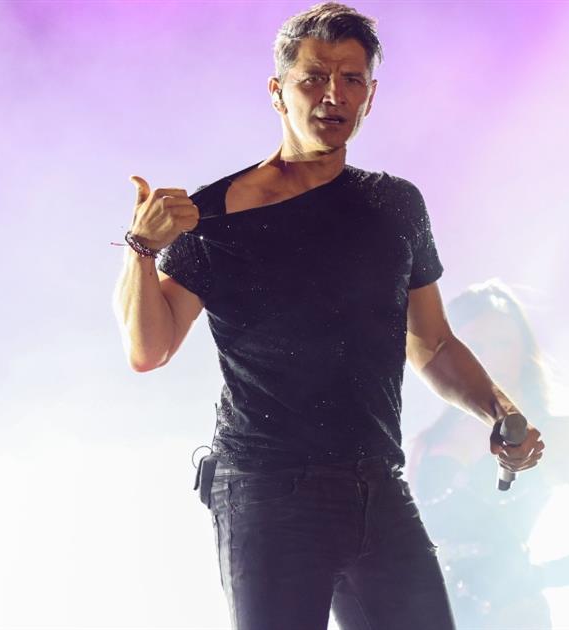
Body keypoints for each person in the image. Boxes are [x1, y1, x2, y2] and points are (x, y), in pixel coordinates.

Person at [112, 4, 543, 629]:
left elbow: (433, 345)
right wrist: (141, 249)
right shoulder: (214, 217)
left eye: (351, 79)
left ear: (370, 95)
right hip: (266, 494)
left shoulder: (395, 206)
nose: (333, 94)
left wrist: (500, 412)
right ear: (278, 91)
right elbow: (148, 349)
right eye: (313, 77)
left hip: (377, 485)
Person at [409, 281, 569, 628]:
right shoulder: (428, 440)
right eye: (475, 346)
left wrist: (531, 578)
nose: (489, 357)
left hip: (514, 615)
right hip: (432, 614)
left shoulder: (565, 436)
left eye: (502, 343)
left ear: (525, 351)